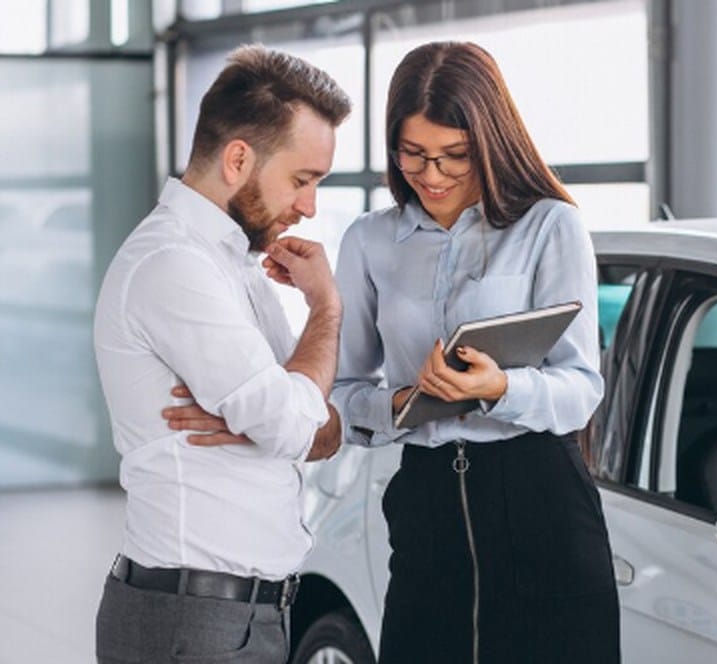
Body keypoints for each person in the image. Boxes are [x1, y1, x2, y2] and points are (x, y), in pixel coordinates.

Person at [332, 41, 620, 664]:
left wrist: (500, 389)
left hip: (542, 499)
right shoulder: (369, 242)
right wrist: (404, 405)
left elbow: (580, 388)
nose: (431, 175)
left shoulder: (550, 226)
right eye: (413, 154)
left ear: (489, 142)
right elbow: (342, 393)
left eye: (454, 156)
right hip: (427, 502)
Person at [93, 45, 350, 664]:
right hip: (193, 623)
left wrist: (283, 413)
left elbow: (321, 427)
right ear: (239, 158)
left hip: (243, 616)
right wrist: (327, 313)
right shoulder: (172, 264)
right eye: (302, 179)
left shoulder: (235, 265)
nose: (310, 206)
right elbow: (295, 420)